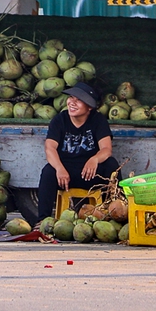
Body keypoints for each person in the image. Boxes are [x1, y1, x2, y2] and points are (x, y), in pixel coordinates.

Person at [37, 82, 120, 220]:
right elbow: (49, 147)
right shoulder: (60, 120)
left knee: (111, 165)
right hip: (66, 175)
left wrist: (95, 159)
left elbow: (106, 149)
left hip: (91, 174)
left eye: (79, 100)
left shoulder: (98, 120)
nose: (72, 102)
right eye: (71, 98)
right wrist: (59, 168)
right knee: (48, 172)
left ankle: (113, 216)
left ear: (90, 107)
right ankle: (42, 220)